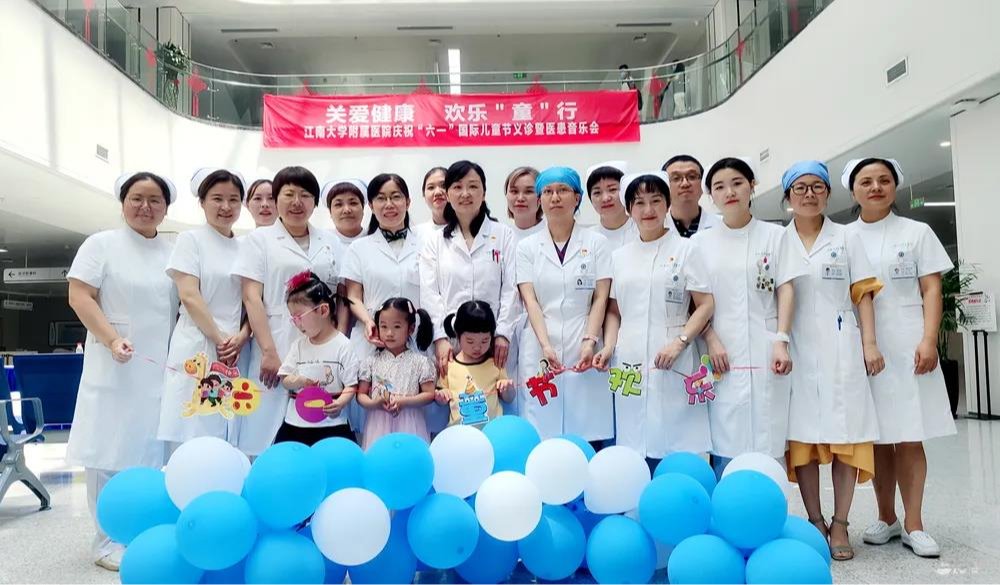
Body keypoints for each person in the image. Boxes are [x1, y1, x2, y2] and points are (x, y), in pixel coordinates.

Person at [66, 171, 179, 571]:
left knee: (149, 451)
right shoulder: (101, 244)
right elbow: (80, 295)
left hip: (159, 368)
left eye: (155, 200)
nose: (145, 207)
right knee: (107, 451)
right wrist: (112, 339)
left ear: (166, 208)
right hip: (114, 363)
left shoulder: (172, 251)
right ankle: (105, 540)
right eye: (137, 198)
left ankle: (141, 530)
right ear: (123, 202)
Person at [844, 157, 956, 558]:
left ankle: (914, 523)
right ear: (853, 190)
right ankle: (886, 516)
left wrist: (929, 339)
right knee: (877, 437)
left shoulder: (916, 232)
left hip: (909, 341)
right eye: (866, 181)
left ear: (895, 186)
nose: (876, 187)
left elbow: (931, 289)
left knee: (909, 434)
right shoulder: (843, 237)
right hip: (861, 344)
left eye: (884, 180)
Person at [782, 160, 883, 562]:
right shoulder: (778, 240)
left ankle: (840, 523)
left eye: (817, 187)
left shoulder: (846, 237)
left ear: (827, 193)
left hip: (843, 344)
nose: (809, 194)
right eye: (800, 188)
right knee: (803, 439)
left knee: (846, 436)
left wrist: (870, 343)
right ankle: (814, 520)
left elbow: (863, 294)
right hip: (795, 348)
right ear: (788, 197)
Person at [685, 157, 803, 479]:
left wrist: (781, 340)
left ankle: (772, 500)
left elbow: (786, 289)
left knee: (768, 435)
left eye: (737, 183)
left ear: (752, 186)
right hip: (718, 349)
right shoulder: (700, 243)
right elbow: (695, 301)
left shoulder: (776, 236)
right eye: (719, 187)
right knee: (725, 435)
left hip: (767, 346)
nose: (730, 192)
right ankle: (727, 502)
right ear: (710, 195)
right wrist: (711, 339)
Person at [596, 172, 713, 467]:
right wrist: (609, 346)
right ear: (628, 209)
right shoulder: (619, 256)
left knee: (678, 442)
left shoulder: (687, 249)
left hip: (675, 352)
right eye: (639, 203)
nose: (648, 210)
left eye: (656, 201)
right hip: (630, 355)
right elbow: (614, 310)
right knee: (633, 443)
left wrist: (680, 342)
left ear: (667, 204)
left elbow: (705, 305)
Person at [232, 166, 347, 456]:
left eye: (305, 195)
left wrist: (338, 344)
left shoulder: (331, 241)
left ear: (315, 202)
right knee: (264, 426)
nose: (297, 202)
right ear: (276, 199)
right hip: (276, 340)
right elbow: (252, 297)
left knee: (318, 420)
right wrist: (269, 352)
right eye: (289, 194)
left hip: (322, 346)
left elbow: (341, 295)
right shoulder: (259, 240)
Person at [517, 166, 613, 442]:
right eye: (547, 192)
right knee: (541, 427)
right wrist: (546, 346)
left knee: (586, 428)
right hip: (540, 342)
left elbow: (601, 297)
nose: (555, 197)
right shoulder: (527, 247)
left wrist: (590, 341)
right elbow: (530, 300)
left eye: (562, 190)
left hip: (584, 339)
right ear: (539, 200)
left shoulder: (597, 242)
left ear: (577, 198)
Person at [158, 168, 250, 450]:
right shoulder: (191, 240)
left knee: (227, 424)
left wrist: (242, 336)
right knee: (194, 424)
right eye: (217, 199)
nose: (226, 206)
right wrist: (220, 340)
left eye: (233, 200)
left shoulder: (245, 246)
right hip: (199, 342)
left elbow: (253, 300)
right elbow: (189, 295)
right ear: (202, 202)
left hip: (234, 348)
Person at [420, 160, 519, 377]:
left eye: (473, 186)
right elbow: (429, 294)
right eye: (457, 187)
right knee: (452, 394)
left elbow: (511, 288)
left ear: (484, 193)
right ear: (448, 194)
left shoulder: (504, 235)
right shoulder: (435, 241)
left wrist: (503, 333)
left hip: (493, 342)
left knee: (495, 393)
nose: (465, 193)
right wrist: (440, 338)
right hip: (451, 344)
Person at [343, 173, 424, 436]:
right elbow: (353, 296)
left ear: (408, 202)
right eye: (381, 198)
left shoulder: (426, 244)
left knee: (415, 414)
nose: (389, 204)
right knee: (368, 418)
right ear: (371, 205)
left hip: (415, 340)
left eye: (396, 197)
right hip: (373, 339)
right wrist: (369, 322)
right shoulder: (359, 248)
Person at [276, 271, 358, 446]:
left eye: (299, 317)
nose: (297, 323)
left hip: (332, 424)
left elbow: (351, 385)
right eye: (293, 318)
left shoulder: (343, 345)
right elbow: (285, 379)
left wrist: (340, 403)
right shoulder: (298, 345)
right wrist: (299, 381)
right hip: (295, 423)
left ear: (323, 310)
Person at [357, 298, 437, 449]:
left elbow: (429, 394)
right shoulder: (371, 362)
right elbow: (361, 395)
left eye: (397, 327)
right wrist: (374, 403)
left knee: (409, 459)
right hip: (378, 422)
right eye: (384, 326)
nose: (389, 333)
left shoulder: (420, 362)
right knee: (380, 458)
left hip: (410, 423)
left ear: (411, 328)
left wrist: (404, 401)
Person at [434, 301, 515, 427]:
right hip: (460, 433)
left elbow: (509, 399)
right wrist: (441, 397)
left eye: (484, 341)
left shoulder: (495, 364)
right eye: (470, 341)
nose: (477, 348)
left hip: (492, 432)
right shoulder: (449, 366)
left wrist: (508, 389)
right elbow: (441, 399)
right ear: (458, 335)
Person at [662, 155, 722, 238]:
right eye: (676, 178)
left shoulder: (723, 225)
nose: (685, 184)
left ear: (703, 184)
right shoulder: (654, 229)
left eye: (692, 177)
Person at [586, 161, 639, 250]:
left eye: (612, 189)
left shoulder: (644, 232)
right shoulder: (586, 239)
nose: (605, 198)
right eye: (597, 192)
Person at [506, 166, 545, 241]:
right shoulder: (502, 236)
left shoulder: (553, 234)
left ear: (541, 197)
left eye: (529, 191)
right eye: (514, 191)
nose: (520, 198)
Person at [324, 179, 368, 245]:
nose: (347, 210)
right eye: (338, 204)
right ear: (330, 212)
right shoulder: (322, 241)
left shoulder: (376, 239)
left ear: (363, 208)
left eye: (353, 203)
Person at [412, 166, 448, 239]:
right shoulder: (415, 234)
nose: (437, 192)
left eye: (443, 186)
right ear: (424, 195)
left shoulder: (466, 230)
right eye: (431, 187)